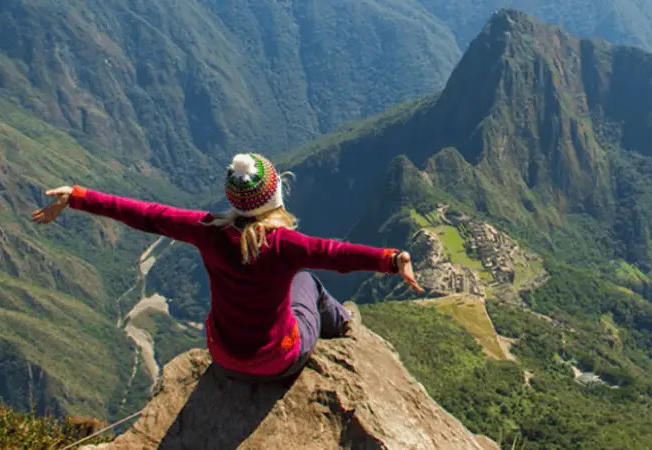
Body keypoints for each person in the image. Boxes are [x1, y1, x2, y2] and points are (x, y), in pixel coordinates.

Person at [32, 153, 424, 382]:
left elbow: (145, 215)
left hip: (223, 356)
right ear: (276, 196)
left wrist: (79, 196)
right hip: (278, 361)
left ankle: (337, 327)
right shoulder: (285, 245)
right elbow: (337, 255)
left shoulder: (206, 231)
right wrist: (392, 259)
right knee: (307, 280)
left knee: (298, 280)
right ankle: (344, 328)